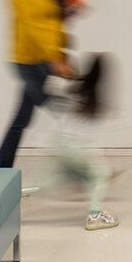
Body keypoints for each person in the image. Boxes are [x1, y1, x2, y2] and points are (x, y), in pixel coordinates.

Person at [0, 0, 84, 169]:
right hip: (31, 61)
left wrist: (70, 10)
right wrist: (55, 59)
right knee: (62, 111)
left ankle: (0, 170)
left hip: (41, 59)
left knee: (21, 120)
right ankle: (84, 168)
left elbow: (51, 22)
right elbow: (35, 26)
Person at [38, 52, 119, 230]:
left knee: (64, 177)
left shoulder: (74, 86)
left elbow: (53, 90)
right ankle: (94, 216)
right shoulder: (91, 93)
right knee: (100, 174)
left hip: (62, 143)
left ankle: (19, 192)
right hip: (74, 146)